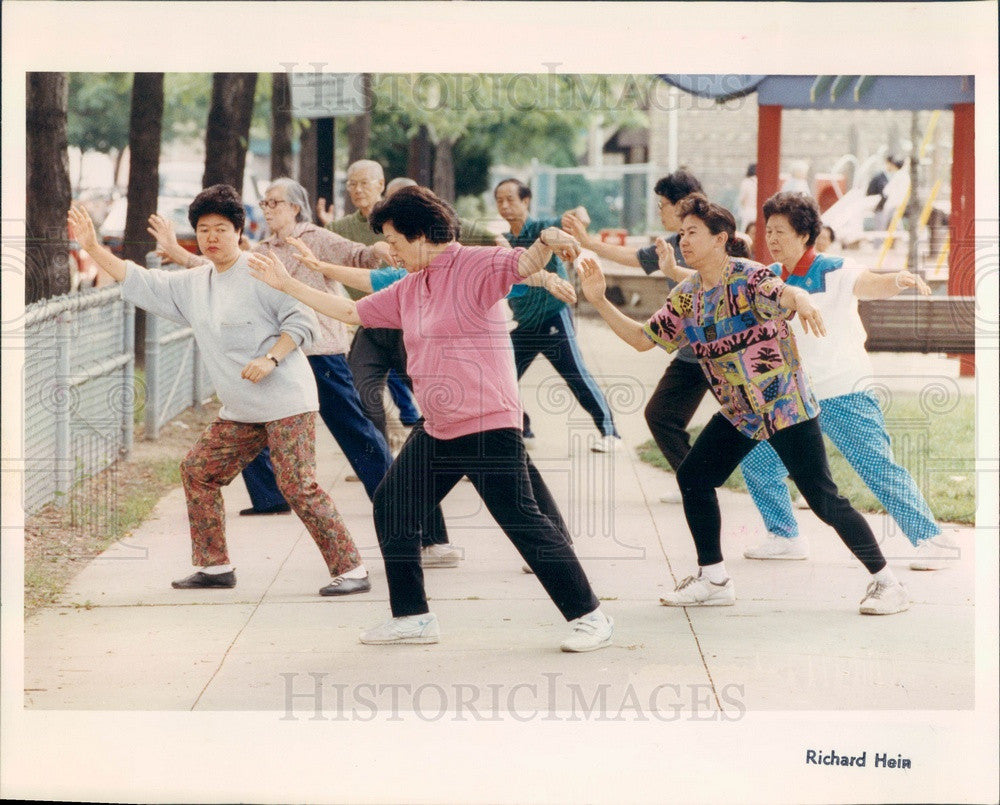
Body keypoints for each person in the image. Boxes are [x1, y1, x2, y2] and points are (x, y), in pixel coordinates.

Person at [249, 185, 614, 651]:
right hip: (439, 427)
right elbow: (349, 309)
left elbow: (524, 263)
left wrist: (547, 242)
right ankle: (412, 618)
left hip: (486, 422)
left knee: (522, 520)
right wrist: (286, 283)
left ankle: (590, 615)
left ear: (421, 233)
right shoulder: (410, 286)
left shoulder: (474, 264)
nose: (392, 251)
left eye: (395, 241)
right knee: (393, 505)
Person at [578, 193, 910, 616]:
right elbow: (644, 339)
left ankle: (887, 582)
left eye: (693, 233)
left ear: (721, 239)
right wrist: (600, 300)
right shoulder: (686, 296)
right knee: (694, 478)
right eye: (681, 233)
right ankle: (713, 578)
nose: (684, 241)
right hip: (741, 413)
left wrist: (803, 301)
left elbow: (785, 292)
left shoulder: (749, 277)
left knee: (823, 499)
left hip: (784, 405)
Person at [67, 186, 370, 596]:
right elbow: (134, 277)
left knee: (297, 484)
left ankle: (351, 569)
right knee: (199, 472)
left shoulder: (261, 270)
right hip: (242, 410)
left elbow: (303, 323)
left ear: (239, 232)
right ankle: (214, 567)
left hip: (287, 403)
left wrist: (271, 359)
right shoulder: (195, 282)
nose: (212, 237)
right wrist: (91, 247)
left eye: (222, 229)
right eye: (204, 229)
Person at [152, 178, 461, 570]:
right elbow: (216, 267)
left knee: (363, 442)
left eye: (276, 202)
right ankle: (266, 505)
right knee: (250, 442)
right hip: (283, 360)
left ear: (296, 208)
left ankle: (426, 533)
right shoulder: (263, 250)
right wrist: (178, 253)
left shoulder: (315, 237)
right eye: (264, 202)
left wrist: (387, 248)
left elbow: (363, 256)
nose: (268, 209)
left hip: (321, 354)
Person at [739, 191, 957, 570]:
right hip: (791, 396)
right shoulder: (771, 278)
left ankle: (932, 539)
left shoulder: (835, 268)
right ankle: (785, 535)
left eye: (779, 231)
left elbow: (869, 283)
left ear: (805, 234)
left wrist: (897, 281)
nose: (771, 239)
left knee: (875, 465)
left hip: (843, 389)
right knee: (758, 459)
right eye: (767, 231)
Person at [318, 160, 504, 439]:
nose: (356, 190)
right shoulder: (339, 228)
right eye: (351, 184)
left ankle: (473, 442)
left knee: (436, 390)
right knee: (360, 389)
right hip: (371, 319)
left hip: (414, 320)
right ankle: (381, 458)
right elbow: (321, 257)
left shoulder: (413, 218)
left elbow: (492, 241)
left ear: (381, 185)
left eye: (363, 183)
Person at [564, 169, 706, 498]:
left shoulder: (719, 237)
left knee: (753, 428)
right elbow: (633, 258)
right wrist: (587, 243)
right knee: (661, 417)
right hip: (690, 352)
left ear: (682, 204)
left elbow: (720, 280)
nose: (659, 211)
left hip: (726, 353)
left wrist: (673, 271)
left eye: (662, 204)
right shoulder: (671, 244)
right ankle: (694, 484)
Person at [494, 178, 621, 453]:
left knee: (575, 375)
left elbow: (576, 216)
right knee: (501, 377)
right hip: (525, 324)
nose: (505, 206)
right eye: (499, 201)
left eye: (510, 199)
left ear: (525, 201)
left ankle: (611, 434)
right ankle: (523, 429)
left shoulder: (542, 228)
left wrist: (579, 217)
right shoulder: (505, 241)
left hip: (553, 317)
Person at [737, 162, 757, 231]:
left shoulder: (746, 182)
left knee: (746, 231)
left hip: (748, 211)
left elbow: (742, 199)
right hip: (758, 212)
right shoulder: (761, 181)